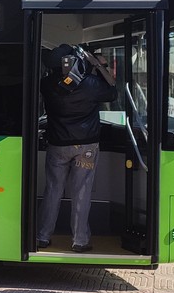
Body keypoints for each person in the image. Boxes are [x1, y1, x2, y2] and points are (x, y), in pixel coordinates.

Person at [37, 44, 118, 252]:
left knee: (53, 190)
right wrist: (99, 67)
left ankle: (43, 236)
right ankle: (79, 240)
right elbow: (112, 93)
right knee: (81, 191)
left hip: (57, 145)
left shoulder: (46, 84)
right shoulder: (90, 84)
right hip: (86, 146)